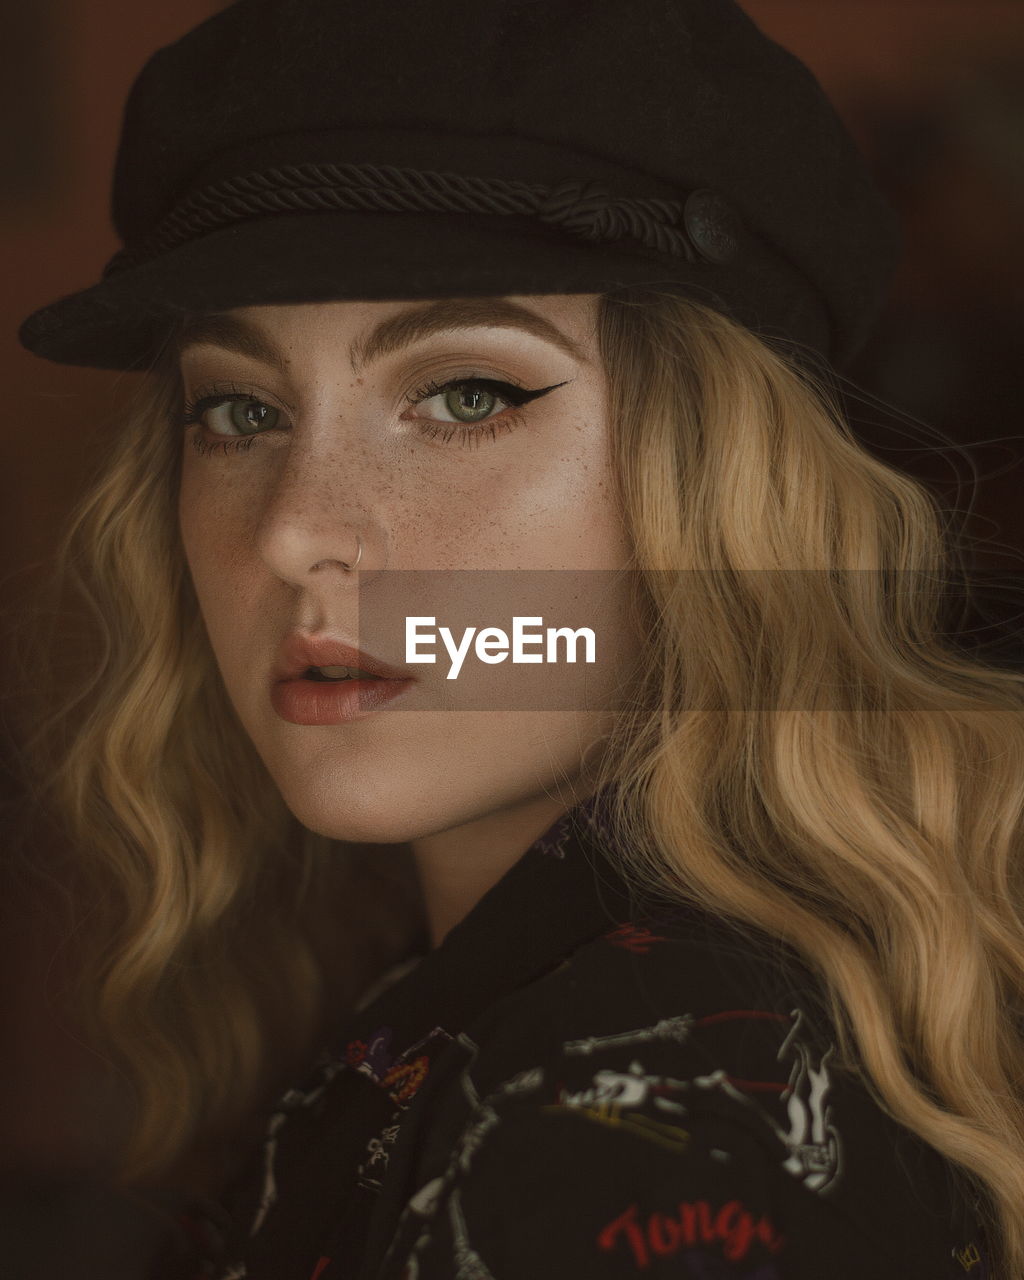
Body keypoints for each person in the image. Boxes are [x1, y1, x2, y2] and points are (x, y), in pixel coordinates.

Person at [12, 0, 1024, 1276]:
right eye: (240, 408)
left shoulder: (636, 1122)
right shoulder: (493, 987)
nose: (291, 532)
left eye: (466, 393)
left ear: (711, 487)